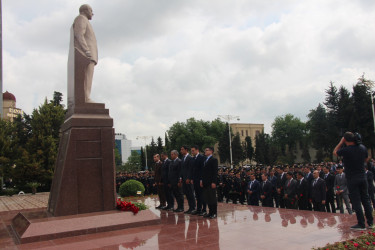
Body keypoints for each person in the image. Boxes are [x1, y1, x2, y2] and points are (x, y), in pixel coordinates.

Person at [334, 132, 373, 230]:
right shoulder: (362, 147)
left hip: (352, 178)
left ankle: (361, 224)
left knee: (356, 201)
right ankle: (371, 222)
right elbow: (366, 159)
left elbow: (335, 152)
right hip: (362, 177)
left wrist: (341, 142)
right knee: (366, 200)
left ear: (345, 140)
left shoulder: (346, 150)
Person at [72, 4, 98, 103]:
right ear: (86, 10)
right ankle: (85, 98)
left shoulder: (85, 20)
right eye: (91, 11)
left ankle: (86, 97)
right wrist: (86, 50)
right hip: (86, 55)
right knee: (86, 78)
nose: (92, 13)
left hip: (89, 56)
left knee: (88, 78)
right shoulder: (81, 19)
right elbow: (79, 34)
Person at [200, 147, 218, 219]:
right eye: (205, 150)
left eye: (207, 150)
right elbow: (202, 172)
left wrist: (214, 182)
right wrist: (201, 180)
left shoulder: (214, 160)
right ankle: (210, 212)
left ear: (211, 151)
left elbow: (215, 172)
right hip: (205, 182)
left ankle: (214, 213)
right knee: (207, 198)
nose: (205, 151)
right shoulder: (205, 160)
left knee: (212, 198)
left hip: (211, 182)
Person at [190, 145, 207, 216]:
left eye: (193, 150)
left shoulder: (202, 157)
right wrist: (192, 178)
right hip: (195, 179)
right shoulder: (193, 158)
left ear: (197, 150)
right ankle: (199, 209)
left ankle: (204, 209)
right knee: (197, 195)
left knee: (202, 195)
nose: (192, 152)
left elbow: (203, 170)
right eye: (191, 151)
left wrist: (201, 180)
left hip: (200, 179)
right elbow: (192, 170)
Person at [180, 146, 196, 214]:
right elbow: (182, 169)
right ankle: (190, 207)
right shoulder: (183, 158)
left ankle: (193, 208)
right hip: (184, 179)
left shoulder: (190, 158)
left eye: (182, 149)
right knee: (187, 193)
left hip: (188, 179)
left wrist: (189, 178)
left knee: (191, 194)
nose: (181, 151)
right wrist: (181, 177)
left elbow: (190, 169)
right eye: (181, 149)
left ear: (186, 150)